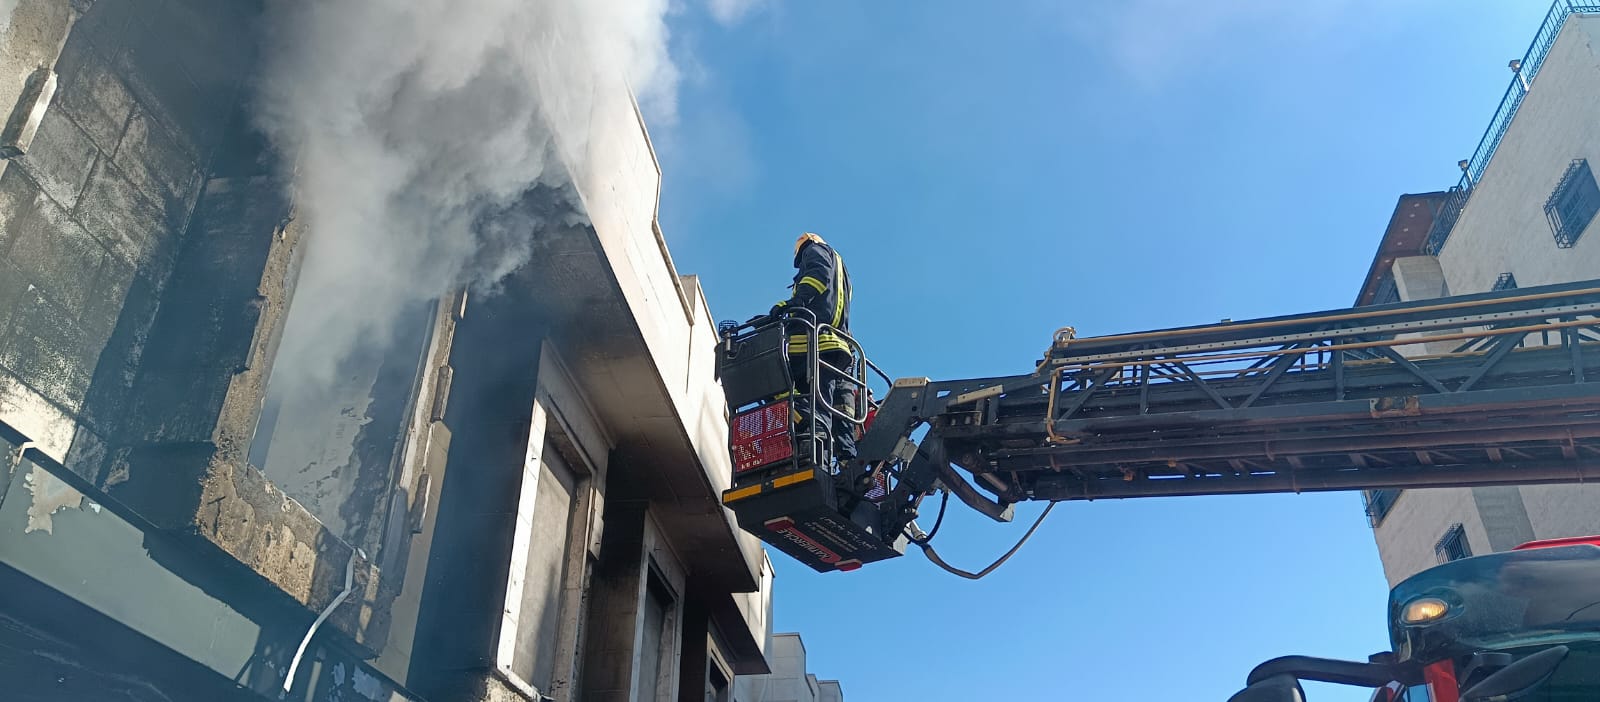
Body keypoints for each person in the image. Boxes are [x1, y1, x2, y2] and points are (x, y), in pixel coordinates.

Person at [769, 232, 857, 464]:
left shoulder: (814, 250)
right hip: (837, 346)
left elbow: (818, 275)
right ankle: (834, 457)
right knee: (830, 405)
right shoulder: (843, 271)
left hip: (813, 343)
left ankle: (813, 448)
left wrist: (794, 302)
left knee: (786, 388)